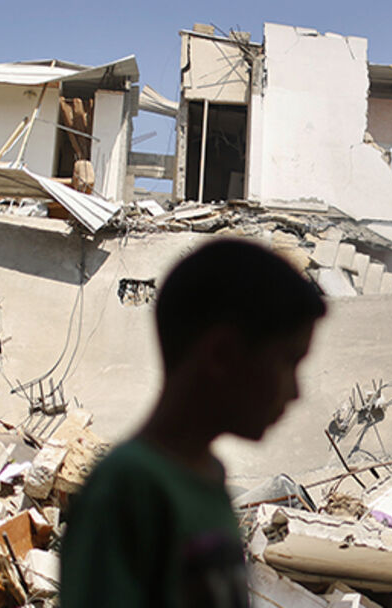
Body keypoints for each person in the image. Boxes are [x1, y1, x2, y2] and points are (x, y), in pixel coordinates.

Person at [60, 239, 327, 607]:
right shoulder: (128, 487)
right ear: (221, 355)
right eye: (288, 362)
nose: (296, 391)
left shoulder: (208, 479)